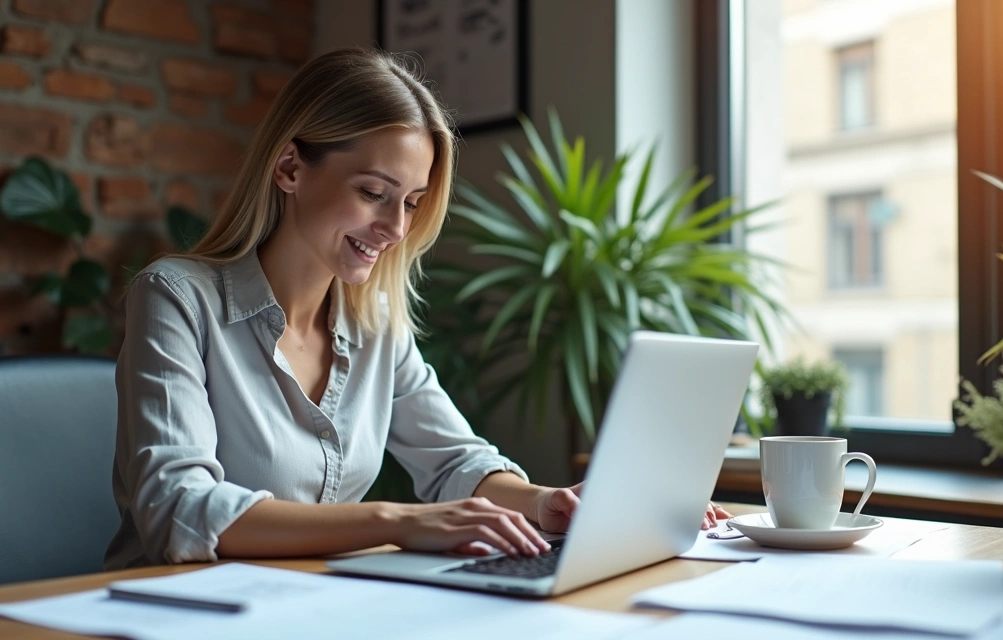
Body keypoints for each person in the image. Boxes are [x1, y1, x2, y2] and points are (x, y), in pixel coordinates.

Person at [104, 48, 730, 570]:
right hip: (170, 613)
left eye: (411, 203)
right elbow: (178, 506)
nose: (395, 228)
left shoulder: (374, 326)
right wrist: (398, 521)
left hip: (311, 607)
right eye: (374, 193)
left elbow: (457, 462)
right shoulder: (177, 298)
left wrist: (547, 503)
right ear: (291, 167)